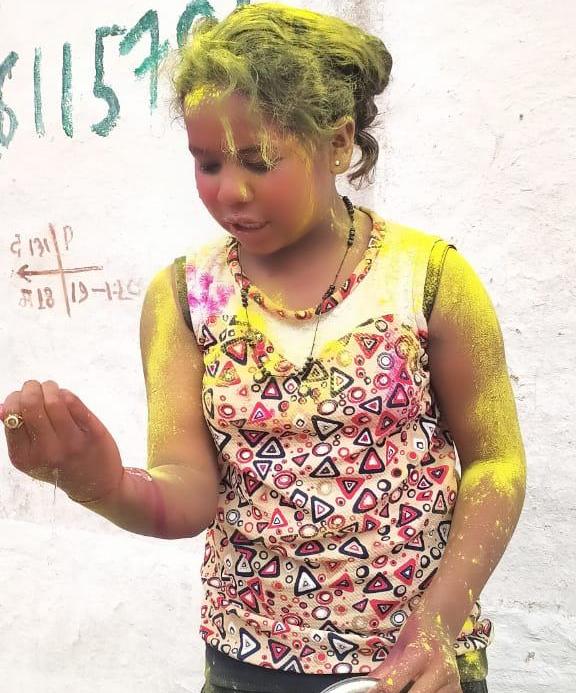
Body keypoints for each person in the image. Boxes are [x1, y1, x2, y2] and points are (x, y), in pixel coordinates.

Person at [1, 3, 526, 692]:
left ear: (338, 144)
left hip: (414, 667)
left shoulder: (427, 279)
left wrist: (437, 625)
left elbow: (497, 464)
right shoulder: (186, 298)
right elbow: (189, 494)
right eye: (208, 163)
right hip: (247, 666)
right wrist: (104, 486)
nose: (231, 191)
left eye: (259, 160)